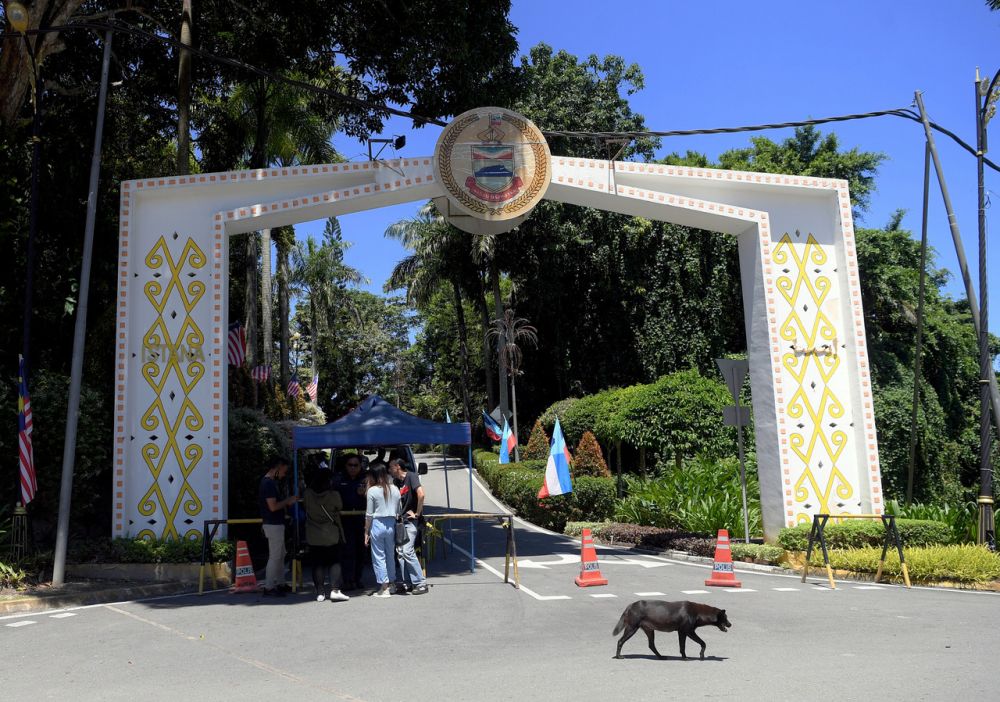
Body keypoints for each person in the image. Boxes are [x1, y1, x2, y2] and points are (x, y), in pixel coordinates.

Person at [304, 468, 349, 602]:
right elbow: (339, 507)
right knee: (334, 561)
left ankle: (320, 592)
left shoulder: (307, 494)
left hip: (313, 533)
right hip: (331, 533)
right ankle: (335, 590)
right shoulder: (334, 494)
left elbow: (305, 507)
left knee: (317, 563)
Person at [259, 456, 298, 597]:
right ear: (278, 467)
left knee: (280, 555)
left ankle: (280, 583)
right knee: (276, 556)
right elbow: (273, 506)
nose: (284, 474)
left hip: (274, 523)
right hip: (273, 524)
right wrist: (288, 501)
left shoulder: (268, 482)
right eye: (283, 471)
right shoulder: (268, 484)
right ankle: (269, 586)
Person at [389, 458, 428, 595]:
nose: (389, 470)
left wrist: (417, 513)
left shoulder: (412, 476)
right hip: (400, 521)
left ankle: (420, 583)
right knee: (400, 553)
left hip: (411, 521)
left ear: (397, 466)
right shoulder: (396, 482)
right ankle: (407, 583)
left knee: (407, 551)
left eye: (391, 467)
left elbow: (421, 495)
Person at [364, 462, 400, 598]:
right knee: (390, 555)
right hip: (391, 523)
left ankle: (383, 587)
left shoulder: (372, 491)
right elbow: (398, 509)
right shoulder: (395, 489)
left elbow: (369, 514)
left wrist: (366, 531)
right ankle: (392, 584)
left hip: (377, 523)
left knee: (378, 556)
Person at [334, 453, 368, 590]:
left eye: (356, 465)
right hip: (345, 520)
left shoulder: (366, 479)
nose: (353, 468)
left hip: (362, 519)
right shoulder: (338, 479)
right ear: (345, 466)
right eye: (350, 465)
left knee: (361, 551)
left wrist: (364, 493)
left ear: (361, 466)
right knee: (347, 551)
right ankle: (347, 580)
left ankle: (357, 579)